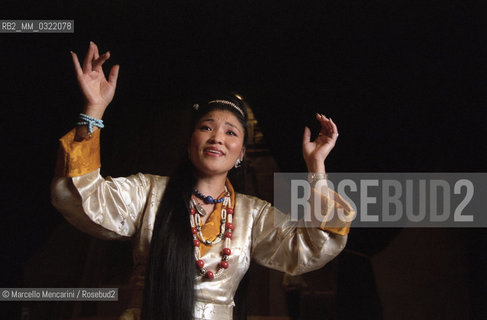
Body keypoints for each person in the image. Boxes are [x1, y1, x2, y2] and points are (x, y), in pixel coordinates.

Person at [51, 41, 354, 320]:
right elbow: (81, 197)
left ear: (240, 155)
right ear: (189, 142)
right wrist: (94, 109)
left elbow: (311, 246)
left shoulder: (253, 216)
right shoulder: (148, 193)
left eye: (231, 132)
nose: (218, 138)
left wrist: (316, 166)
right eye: (207, 127)